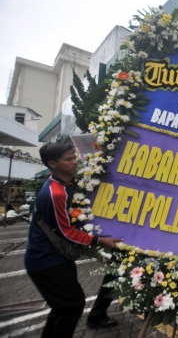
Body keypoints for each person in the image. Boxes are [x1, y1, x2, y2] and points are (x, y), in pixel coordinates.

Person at [24, 143, 123, 338]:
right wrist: (100, 241)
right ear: (52, 163)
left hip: (52, 259)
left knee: (62, 308)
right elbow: (65, 231)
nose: (74, 162)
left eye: (73, 157)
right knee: (72, 305)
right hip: (47, 261)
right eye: (68, 160)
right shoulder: (56, 193)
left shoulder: (64, 184)